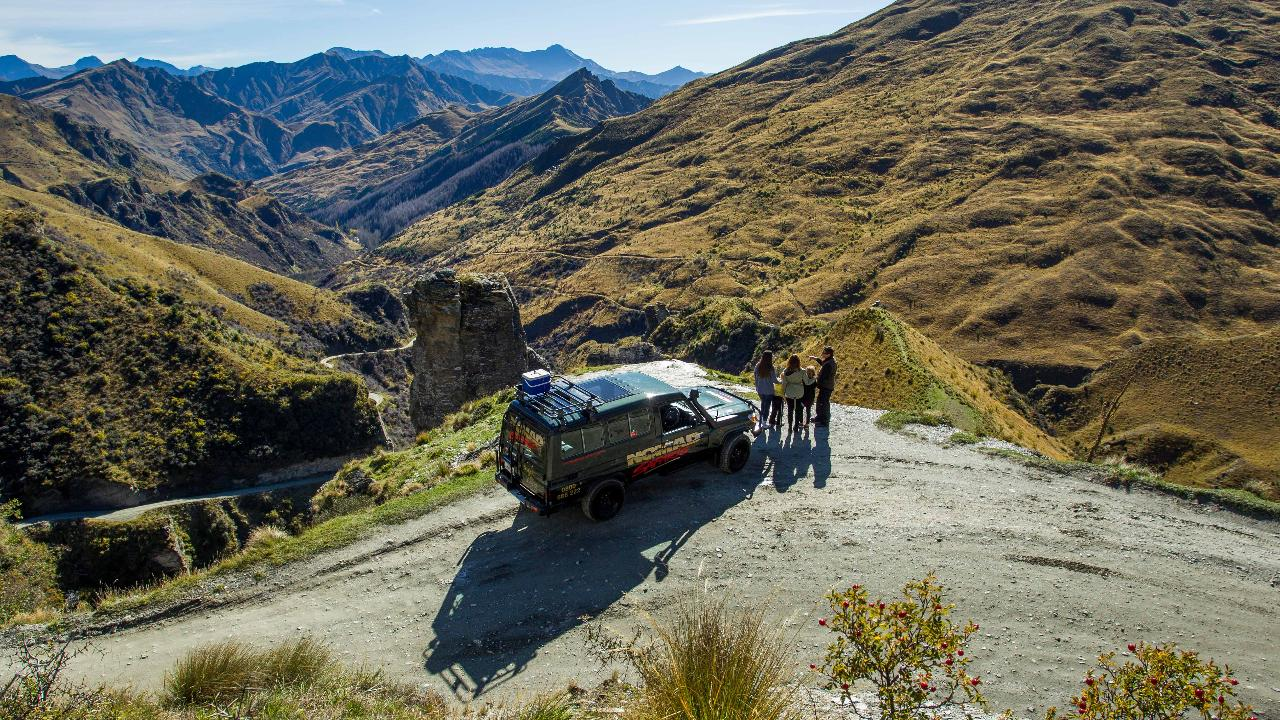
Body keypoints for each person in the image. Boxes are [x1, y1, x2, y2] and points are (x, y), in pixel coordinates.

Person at [808, 346, 837, 427]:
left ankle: (824, 421)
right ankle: (819, 418)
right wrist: (815, 358)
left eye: (824, 353)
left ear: (828, 354)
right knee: (821, 402)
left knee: (823, 403)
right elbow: (823, 363)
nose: (822, 354)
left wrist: (813, 383)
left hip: (826, 387)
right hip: (827, 386)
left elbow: (823, 377)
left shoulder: (829, 364)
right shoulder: (830, 360)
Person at [753, 351, 778, 432]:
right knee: (766, 407)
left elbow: (755, 376)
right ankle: (764, 423)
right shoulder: (771, 367)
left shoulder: (758, 365)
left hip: (760, 389)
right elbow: (774, 380)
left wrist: (757, 386)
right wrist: (781, 382)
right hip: (769, 390)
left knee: (763, 405)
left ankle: (760, 421)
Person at [781, 354, 807, 432]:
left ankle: (789, 427)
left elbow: (784, 384)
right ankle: (796, 426)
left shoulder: (786, 371)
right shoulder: (802, 371)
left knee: (790, 410)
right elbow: (806, 382)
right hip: (799, 392)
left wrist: (783, 394)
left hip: (789, 392)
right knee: (798, 410)